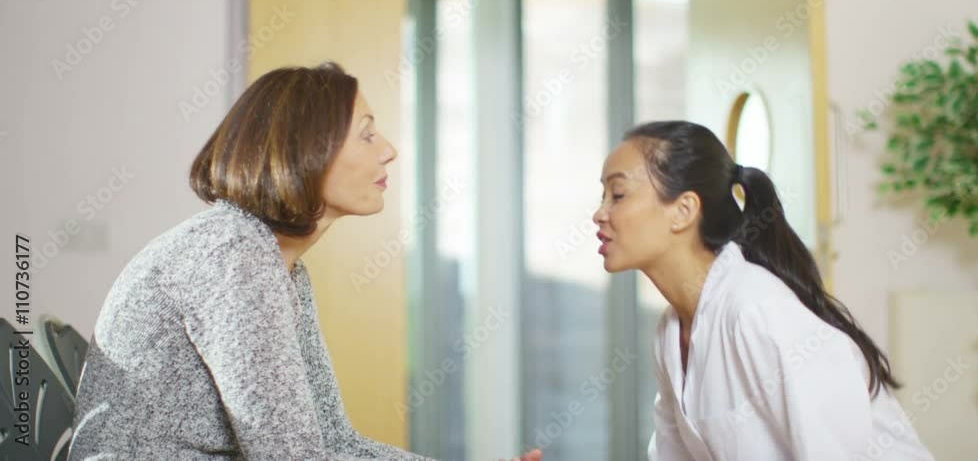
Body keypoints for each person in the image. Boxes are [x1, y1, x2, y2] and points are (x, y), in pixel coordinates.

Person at [69, 62, 542, 461]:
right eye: (367, 135)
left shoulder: (272, 260)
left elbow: (334, 441)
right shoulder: (235, 256)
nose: (389, 150)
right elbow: (290, 457)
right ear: (303, 153)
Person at [592, 121, 934, 461]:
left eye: (618, 195)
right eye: (604, 196)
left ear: (684, 211)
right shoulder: (670, 332)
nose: (599, 214)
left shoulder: (756, 308)